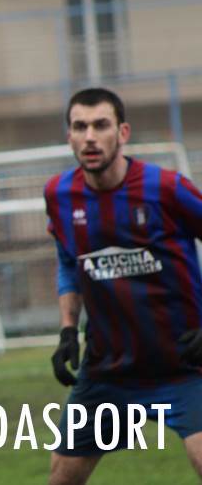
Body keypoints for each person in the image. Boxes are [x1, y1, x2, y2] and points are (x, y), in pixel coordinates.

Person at [44, 87, 202, 485]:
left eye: (101, 125)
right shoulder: (59, 195)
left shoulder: (165, 188)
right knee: (61, 478)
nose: (90, 137)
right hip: (109, 369)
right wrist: (67, 330)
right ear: (69, 136)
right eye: (80, 127)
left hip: (185, 362)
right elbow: (69, 261)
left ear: (123, 132)